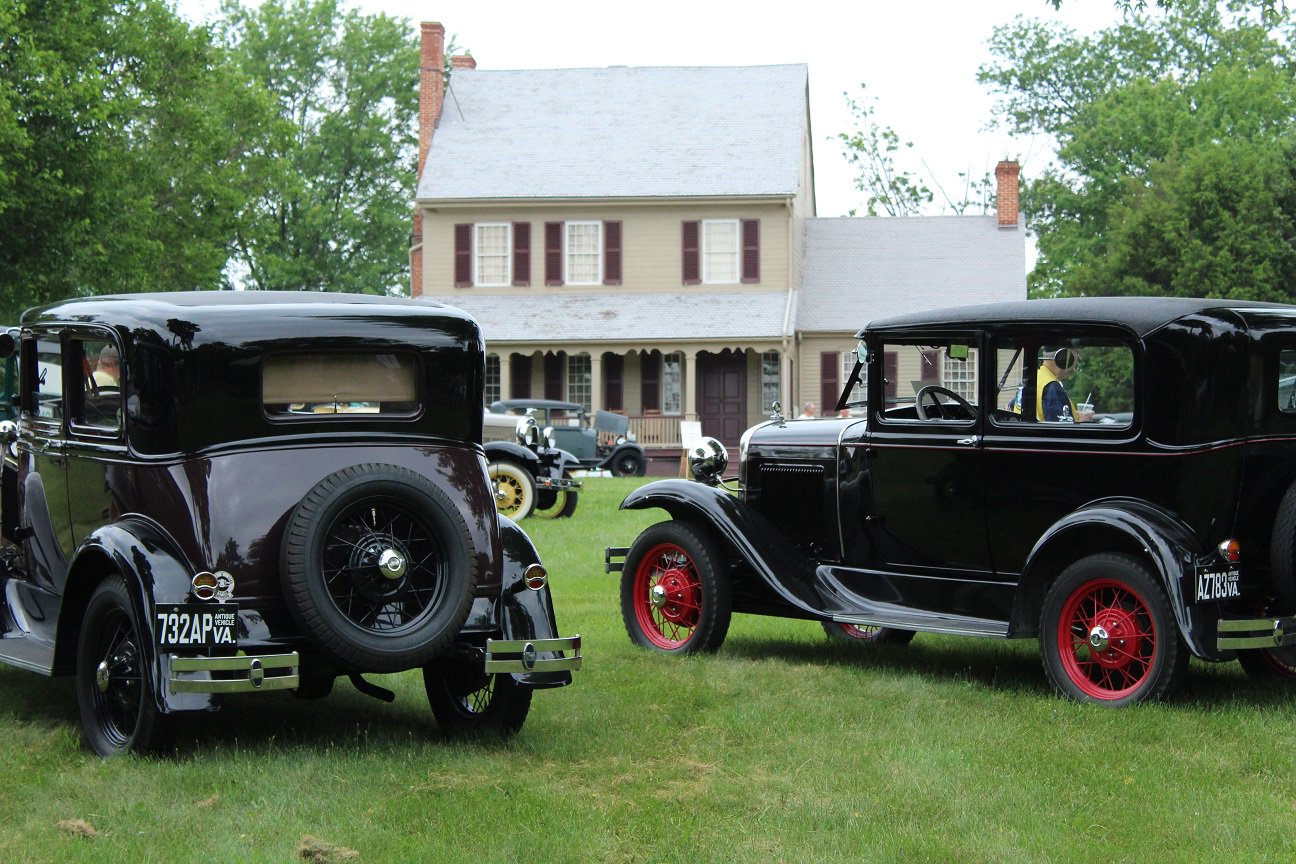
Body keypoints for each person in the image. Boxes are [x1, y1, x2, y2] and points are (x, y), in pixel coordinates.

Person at [1034, 346, 1093, 423]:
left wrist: (1075, 416)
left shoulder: (1035, 379)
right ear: (1064, 356)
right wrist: (1080, 421)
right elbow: (1063, 431)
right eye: (1077, 353)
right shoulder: (1053, 388)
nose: (1079, 358)